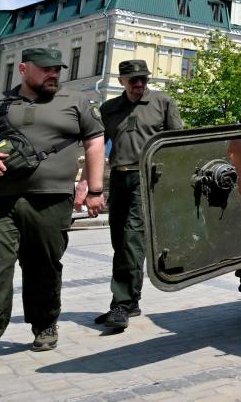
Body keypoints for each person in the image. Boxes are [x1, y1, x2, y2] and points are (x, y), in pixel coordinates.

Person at [0, 48, 105, 382]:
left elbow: (95, 142)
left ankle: (44, 322)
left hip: (51, 200)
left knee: (43, 267)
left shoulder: (75, 102)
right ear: (24, 69)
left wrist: (94, 188)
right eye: (45, 70)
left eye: (57, 69)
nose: (53, 75)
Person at [94, 59, 183, 331]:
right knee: (119, 239)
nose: (139, 84)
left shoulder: (162, 102)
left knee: (133, 238)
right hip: (118, 177)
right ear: (121, 80)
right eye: (133, 80)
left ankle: (120, 303)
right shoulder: (109, 109)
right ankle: (131, 301)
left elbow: (177, 142)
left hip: (148, 178)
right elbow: (97, 145)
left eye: (143, 79)